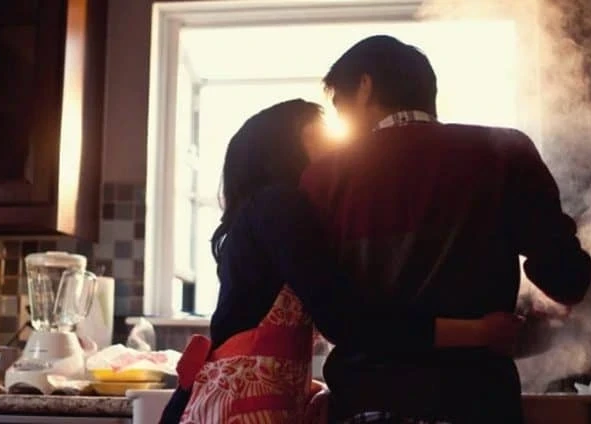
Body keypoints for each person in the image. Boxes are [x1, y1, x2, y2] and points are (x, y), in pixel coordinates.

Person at [159, 99, 526, 424]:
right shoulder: (279, 206)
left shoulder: (262, 213)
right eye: (320, 135)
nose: (339, 147)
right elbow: (348, 319)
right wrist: (480, 332)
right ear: (285, 147)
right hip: (238, 405)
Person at [300, 35, 591, 423]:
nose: (342, 120)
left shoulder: (323, 178)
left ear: (365, 87)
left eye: (340, 104)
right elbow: (567, 279)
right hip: (476, 399)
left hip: (366, 399)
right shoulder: (504, 151)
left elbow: (336, 315)